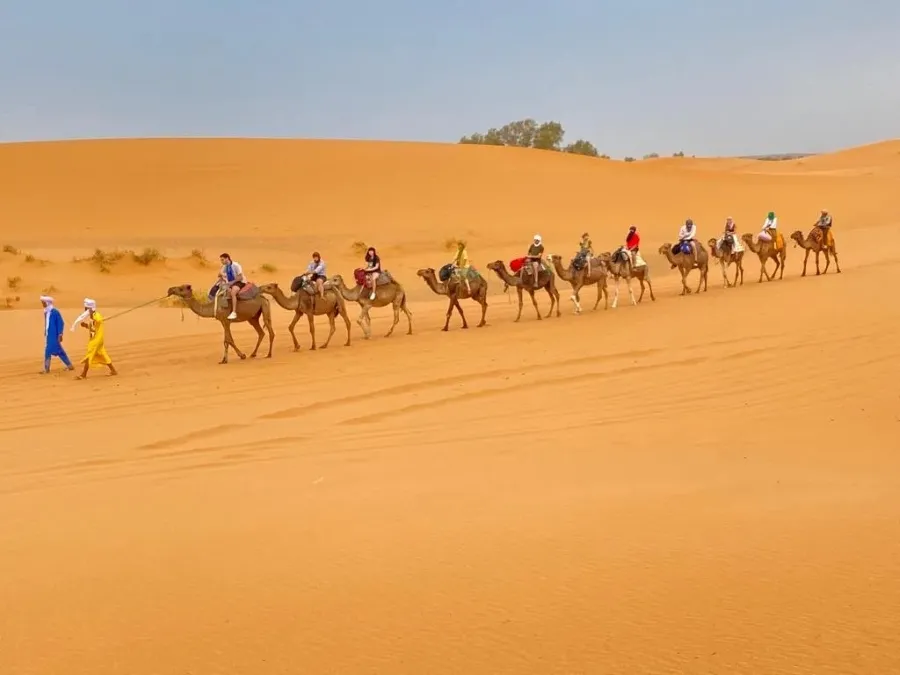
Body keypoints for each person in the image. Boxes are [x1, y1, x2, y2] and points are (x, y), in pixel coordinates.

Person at [75, 298, 117, 380]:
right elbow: (93, 328)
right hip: (96, 339)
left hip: (96, 340)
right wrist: (86, 325)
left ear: (89, 308)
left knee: (89, 355)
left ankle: (83, 374)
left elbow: (98, 319)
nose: (84, 309)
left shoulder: (97, 315)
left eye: (86, 308)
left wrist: (98, 319)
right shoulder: (92, 316)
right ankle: (113, 370)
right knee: (103, 354)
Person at [40, 295, 73, 374]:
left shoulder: (55, 312)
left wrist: (60, 334)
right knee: (59, 351)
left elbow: (60, 323)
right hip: (49, 335)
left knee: (49, 350)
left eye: (43, 302)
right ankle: (69, 365)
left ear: (47, 303)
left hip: (54, 335)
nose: (42, 304)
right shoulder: (46, 312)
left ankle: (46, 369)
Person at [219, 253, 246, 320]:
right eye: (221, 260)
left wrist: (231, 283)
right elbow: (220, 274)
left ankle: (234, 312)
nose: (221, 262)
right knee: (222, 290)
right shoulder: (225, 266)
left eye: (222, 260)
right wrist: (222, 275)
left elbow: (240, 277)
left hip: (240, 282)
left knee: (233, 292)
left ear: (227, 258)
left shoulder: (236, 265)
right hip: (231, 283)